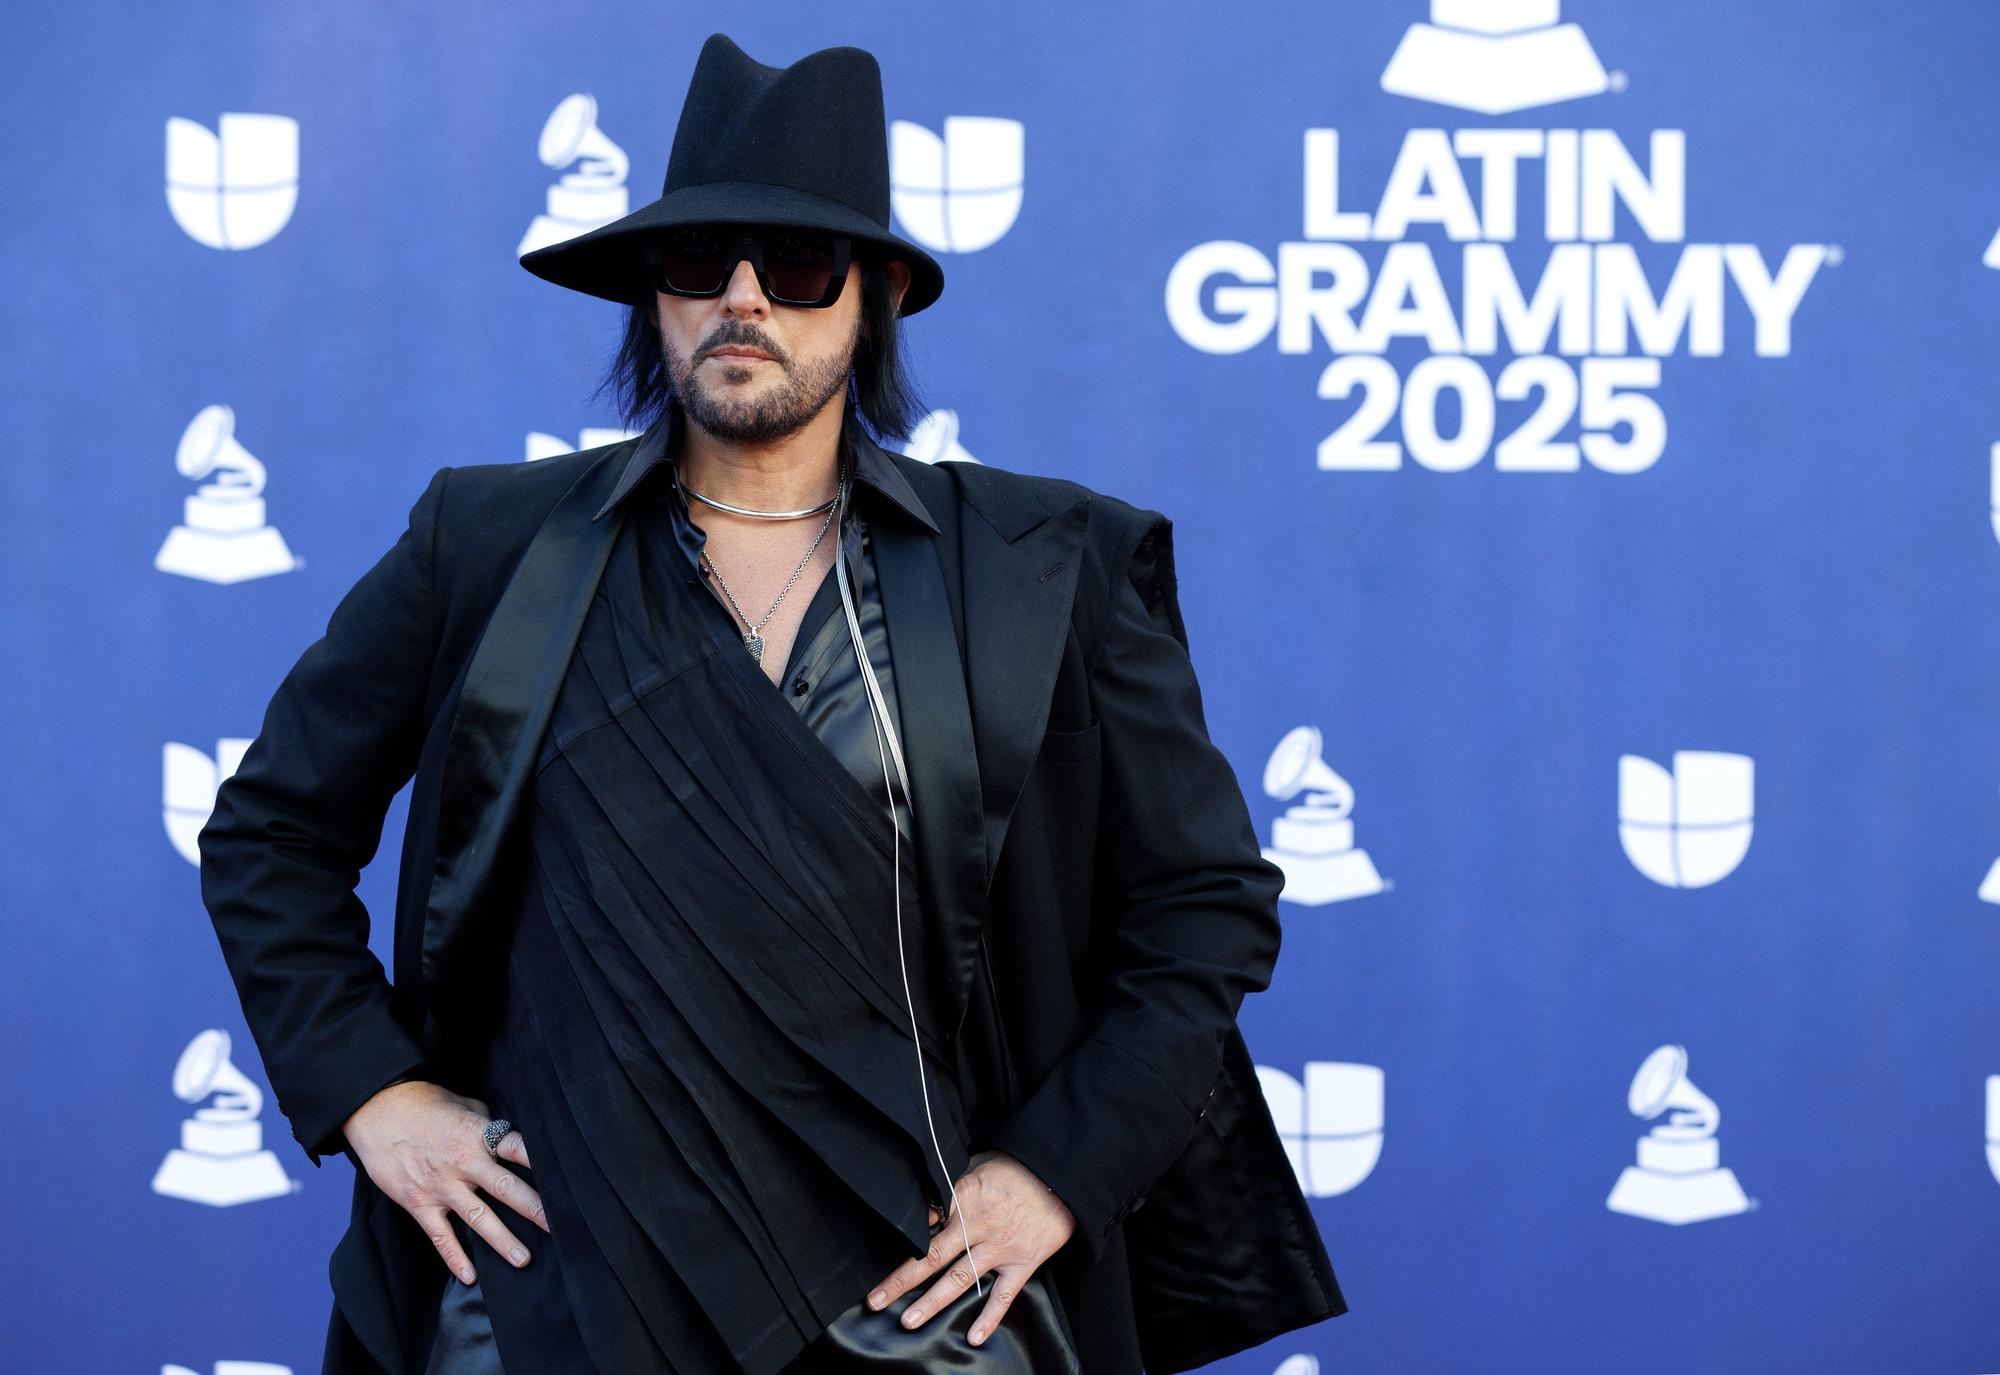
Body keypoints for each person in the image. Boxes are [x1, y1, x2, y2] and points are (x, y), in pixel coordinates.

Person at [199, 31, 1345, 1375]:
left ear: (875, 301)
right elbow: (271, 833)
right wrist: (374, 1094)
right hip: (555, 1297)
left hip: (923, 1309)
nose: (745, 301)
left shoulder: (1046, 570)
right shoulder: (493, 548)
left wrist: (1055, 1175)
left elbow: (1202, 905)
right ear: (654, 297)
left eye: (797, 269)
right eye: (701, 265)